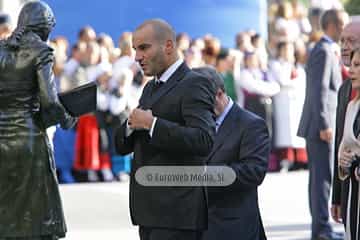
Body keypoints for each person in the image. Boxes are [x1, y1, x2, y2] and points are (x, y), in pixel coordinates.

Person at [114, 19, 216, 240]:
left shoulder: (195, 83)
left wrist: (152, 125)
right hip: (149, 213)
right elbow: (121, 145)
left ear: (168, 46)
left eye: (144, 48)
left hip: (178, 214)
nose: (137, 57)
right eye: (135, 49)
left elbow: (204, 140)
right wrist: (132, 124)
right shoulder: (150, 87)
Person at [0, 1, 76, 239]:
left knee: (6, 206)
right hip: (29, 138)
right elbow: (50, 101)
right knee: (38, 214)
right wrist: (67, 118)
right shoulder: (41, 50)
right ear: (44, 26)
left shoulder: (1, 48)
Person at [192, 67, 269, 240]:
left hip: (233, 228)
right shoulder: (196, 122)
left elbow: (253, 172)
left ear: (219, 94)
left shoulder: (251, 125)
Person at [297, 9, 348, 240]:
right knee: (322, 180)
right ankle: (321, 230)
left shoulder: (326, 50)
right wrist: (325, 124)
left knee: (321, 179)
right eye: (343, 26)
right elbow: (317, 91)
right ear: (334, 25)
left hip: (320, 126)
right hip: (320, 128)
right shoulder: (324, 51)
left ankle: (321, 228)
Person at [331, 21, 360, 229]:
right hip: (350, 189)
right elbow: (340, 144)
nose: (344, 46)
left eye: (351, 40)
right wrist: (337, 196)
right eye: (342, 40)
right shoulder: (344, 89)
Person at [337, 47, 360, 240]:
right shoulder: (351, 107)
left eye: (358, 65)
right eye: (351, 65)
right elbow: (343, 149)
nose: (351, 70)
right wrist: (343, 164)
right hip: (354, 195)